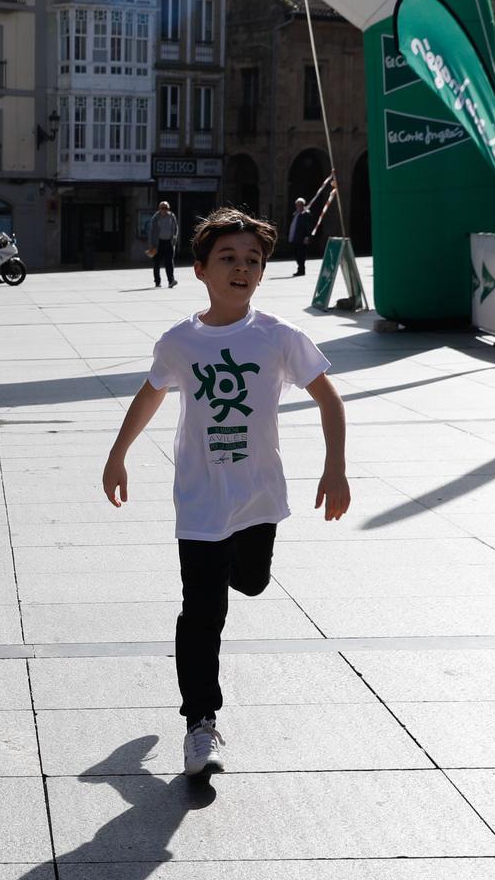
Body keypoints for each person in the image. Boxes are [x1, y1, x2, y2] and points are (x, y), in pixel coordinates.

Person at [99, 208, 350, 780]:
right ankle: (200, 723)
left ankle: (237, 575)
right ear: (200, 270)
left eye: (252, 261)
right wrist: (118, 455)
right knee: (203, 612)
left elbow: (330, 401)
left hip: (259, 497)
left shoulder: (280, 337)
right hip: (201, 500)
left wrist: (334, 469)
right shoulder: (180, 341)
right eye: (228, 259)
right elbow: (150, 394)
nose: (241, 269)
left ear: (262, 273)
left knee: (253, 581)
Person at [284, 174, 337, 276]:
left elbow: (308, 226)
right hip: (295, 238)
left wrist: (307, 236)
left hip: (302, 238)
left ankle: (301, 270)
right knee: (296, 253)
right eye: (296, 205)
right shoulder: (295, 214)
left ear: (302, 205)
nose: (297, 206)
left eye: (299, 205)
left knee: (301, 254)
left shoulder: (306, 214)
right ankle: (299, 268)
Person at [148, 200, 181, 288]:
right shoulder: (155, 218)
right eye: (162, 208)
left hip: (169, 242)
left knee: (169, 262)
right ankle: (157, 282)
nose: (164, 210)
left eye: (166, 208)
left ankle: (171, 281)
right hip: (158, 243)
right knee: (157, 263)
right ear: (159, 209)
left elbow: (175, 228)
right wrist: (151, 244)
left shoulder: (171, 216)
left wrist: (174, 238)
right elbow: (151, 232)